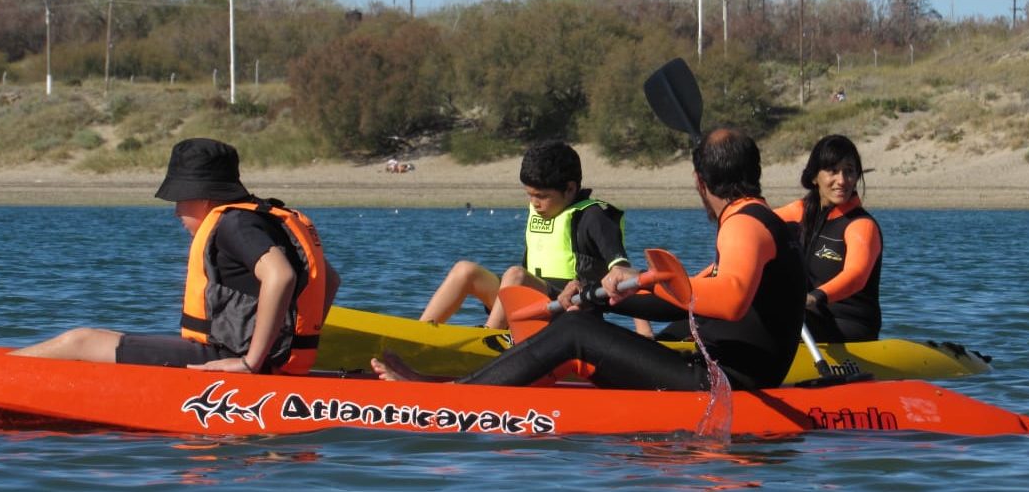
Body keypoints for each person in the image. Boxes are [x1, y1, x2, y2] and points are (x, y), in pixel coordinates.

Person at [376, 128, 806, 391]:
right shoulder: (759, 221)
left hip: (723, 383)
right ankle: (475, 386)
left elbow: (727, 300)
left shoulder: (744, 225)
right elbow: (683, 299)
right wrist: (601, 293)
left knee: (577, 334)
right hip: (716, 372)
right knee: (580, 319)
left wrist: (656, 281)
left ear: (699, 181)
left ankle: (456, 397)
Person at [10, 138, 342, 375]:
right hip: (269, 364)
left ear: (203, 197)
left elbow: (280, 275)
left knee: (78, 341)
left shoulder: (232, 223)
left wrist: (249, 363)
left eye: (179, 202)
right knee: (86, 342)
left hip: (226, 358)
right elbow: (328, 277)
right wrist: (285, 352)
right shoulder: (262, 217)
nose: (176, 213)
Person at [418, 141, 649, 336]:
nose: (535, 203)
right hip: (529, 305)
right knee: (465, 270)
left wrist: (644, 330)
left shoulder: (595, 216)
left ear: (569, 189)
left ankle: (492, 339)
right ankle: (420, 334)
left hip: (571, 310)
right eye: (530, 195)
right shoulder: (541, 209)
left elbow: (623, 273)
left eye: (542, 196)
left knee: (515, 274)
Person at [774, 134, 882, 343]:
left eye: (849, 172)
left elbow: (856, 275)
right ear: (815, 176)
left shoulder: (861, 225)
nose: (842, 181)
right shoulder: (798, 212)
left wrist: (817, 296)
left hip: (848, 325)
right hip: (808, 318)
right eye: (833, 171)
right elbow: (752, 226)